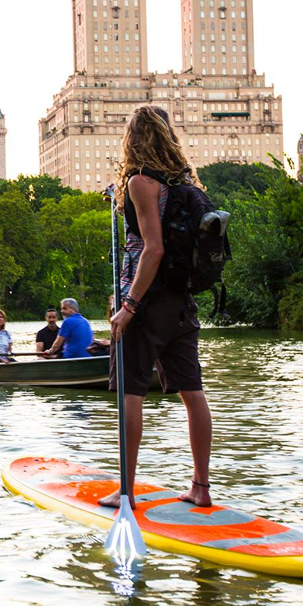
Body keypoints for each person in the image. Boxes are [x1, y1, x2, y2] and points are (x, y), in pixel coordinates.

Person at [99, 105, 213, 510]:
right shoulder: (184, 185)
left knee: (130, 393)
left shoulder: (140, 182)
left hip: (147, 300)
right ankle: (200, 488)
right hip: (181, 299)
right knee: (192, 391)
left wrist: (129, 304)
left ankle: (126, 491)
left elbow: (154, 247)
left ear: (133, 137)